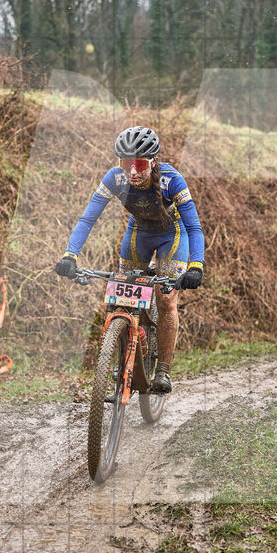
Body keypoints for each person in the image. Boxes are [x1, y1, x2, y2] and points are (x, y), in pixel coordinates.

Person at [54, 126, 205, 394]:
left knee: (166, 298)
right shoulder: (115, 179)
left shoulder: (172, 180)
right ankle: (123, 348)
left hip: (173, 235)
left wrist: (196, 266)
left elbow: (194, 228)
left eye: (139, 164)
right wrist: (70, 254)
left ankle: (163, 371)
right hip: (139, 234)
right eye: (125, 164)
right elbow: (88, 218)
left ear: (154, 161)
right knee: (123, 295)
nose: (132, 172)